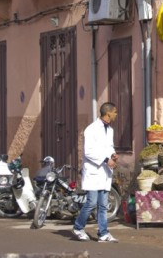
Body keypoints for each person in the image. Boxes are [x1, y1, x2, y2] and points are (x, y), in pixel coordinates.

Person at [72, 102, 119, 243]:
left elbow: (109, 147)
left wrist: (113, 155)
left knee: (103, 205)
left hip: (104, 172)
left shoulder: (110, 130)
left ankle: (103, 233)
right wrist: (106, 160)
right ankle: (78, 227)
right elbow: (89, 152)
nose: (116, 114)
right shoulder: (91, 129)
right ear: (108, 113)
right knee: (91, 203)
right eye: (115, 112)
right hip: (93, 171)